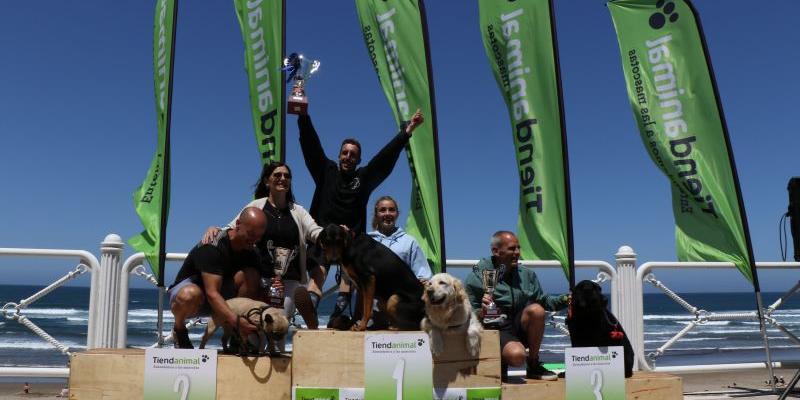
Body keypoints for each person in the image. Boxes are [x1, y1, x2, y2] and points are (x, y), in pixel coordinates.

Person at [293, 108, 425, 328]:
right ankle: (309, 308)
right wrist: (303, 116)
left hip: (351, 242)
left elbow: (383, 160)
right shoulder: (326, 171)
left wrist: (406, 132)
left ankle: (341, 308)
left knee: (352, 267)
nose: (348, 157)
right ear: (339, 155)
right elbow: (311, 147)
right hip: (323, 238)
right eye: (344, 152)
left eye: (353, 154)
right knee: (320, 267)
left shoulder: (362, 178)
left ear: (358, 159)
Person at [203, 162, 323, 327]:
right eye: (277, 175)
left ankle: (310, 316)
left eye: (287, 176)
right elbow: (234, 227)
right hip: (259, 278)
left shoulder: (298, 211)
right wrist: (215, 229)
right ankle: (242, 342)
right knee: (256, 330)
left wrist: (333, 234)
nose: (283, 178)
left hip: (288, 281)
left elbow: (315, 232)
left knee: (278, 325)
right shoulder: (256, 206)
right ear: (267, 181)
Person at [465, 231, 568, 381]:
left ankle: (533, 364)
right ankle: (500, 359)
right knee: (517, 356)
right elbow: (467, 313)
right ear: (496, 251)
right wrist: (482, 312)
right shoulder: (477, 276)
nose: (518, 253)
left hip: (518, 325)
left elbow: (543, 300)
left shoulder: (527, 275)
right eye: (512, 248)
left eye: (519, 248)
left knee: (537, 310)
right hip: (495, 328)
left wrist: (566, 299)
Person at [168, 207, 266, 349]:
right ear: (238, 224)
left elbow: (256, 292)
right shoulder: (212, 245)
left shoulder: (253, 252)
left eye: (259, 236)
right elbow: (212, 293)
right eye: (250, 234)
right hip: (194, 296)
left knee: (251, 276)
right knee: (190, 294)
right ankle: (179, 330)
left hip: (222, 297)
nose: (254, 240)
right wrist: (236, 321)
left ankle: (236, 338)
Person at [368, 195, 431, 280]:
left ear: (397, 214)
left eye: (391, 210)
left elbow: (423, 276)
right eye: (382, 210)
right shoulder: (366, 241)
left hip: (400, 292)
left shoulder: (409, 242)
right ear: (376, 214)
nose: (387, 213)